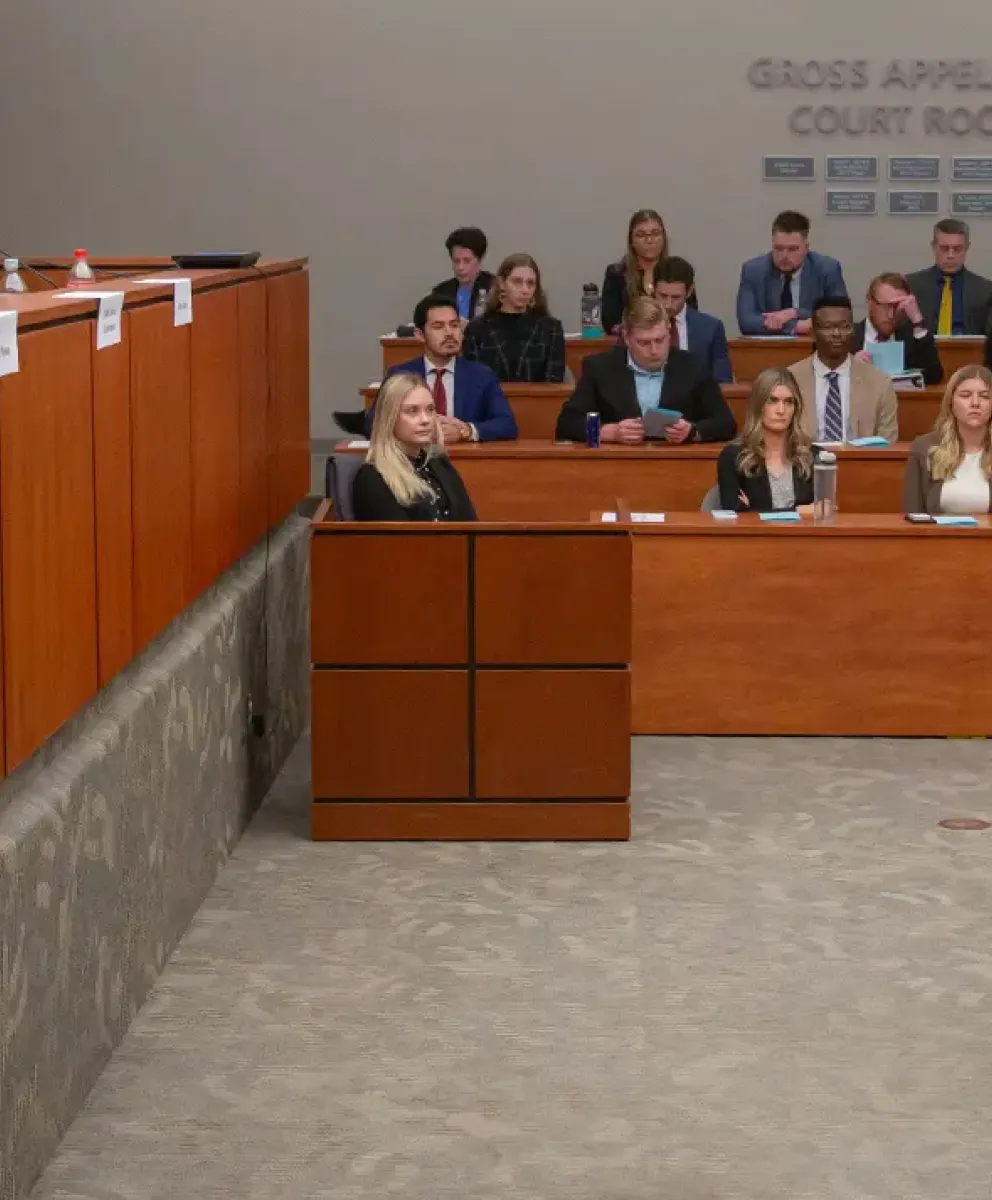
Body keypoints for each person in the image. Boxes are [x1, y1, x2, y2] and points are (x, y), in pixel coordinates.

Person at [554, 296, 736, 444]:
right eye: (644, 343)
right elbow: (566, 424)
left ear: (669, 331)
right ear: (627, 338)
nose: (655, 350)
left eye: (660, 340)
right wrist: (609, 432)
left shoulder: (693, 366)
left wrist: (692, 431)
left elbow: (726, 423)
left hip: (676, 465)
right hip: (618, 467)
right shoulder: (600, 368)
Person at [366, 294, 518, 442]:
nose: (449, 333)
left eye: (454, 325)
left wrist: (465, 430)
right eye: (438, 326)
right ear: (420, 335)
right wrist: (416, 430)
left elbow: (506, 424)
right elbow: (373, 424)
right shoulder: (400, 374)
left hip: (465, 461)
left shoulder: (481, 375)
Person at [353, 374, 477, 522]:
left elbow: (471, 525)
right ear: (389, 418)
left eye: (430, 409)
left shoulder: (438, 463)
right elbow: (400, 542)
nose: (425, 420)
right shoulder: (373, 477)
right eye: (412, 411)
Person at [789, 297, 898, 443]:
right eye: (828, 327)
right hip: (805, 463)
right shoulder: (790, 379)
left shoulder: (880, 383)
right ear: (813, 333)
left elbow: (887, 444)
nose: (836, 333)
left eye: (844, 326)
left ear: (853, 330)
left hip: (861, 464)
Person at [716, 368, 815, 512]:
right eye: (772, 401)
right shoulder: (733, 457)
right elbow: (736, 516)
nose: (781, 410)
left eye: (788, 402)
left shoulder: (813, 456)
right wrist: (799, 512)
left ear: (796, 408)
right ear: (758, 406)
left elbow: (824, 513)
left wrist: (755, 509)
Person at [736, 211, 847, 336]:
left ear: (806, 248)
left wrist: (794, 313)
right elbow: (746, 322)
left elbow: (839, 316)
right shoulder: (753, 270)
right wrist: (794, 326)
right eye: (779, 248)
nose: (784, 256)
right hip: (767, 351)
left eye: (792, 249)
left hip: (813, 349)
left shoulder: (827, 269)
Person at [462, 253, 566, 383]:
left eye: (530, 283)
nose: (525, 290)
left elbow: (554, 385)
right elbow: (472, 381)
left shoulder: (550, 329)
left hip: (538, 402)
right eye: (517, 282)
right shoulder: (477, 329)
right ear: (502, 283)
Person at [902, 366, 992, 514]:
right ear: (951, 402)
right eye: (965, 395)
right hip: (937, 537)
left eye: (984, 396)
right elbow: (912, 515)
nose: (975, 403)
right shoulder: (924, 448)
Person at [601, 208, 696, 336]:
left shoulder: (678, 271)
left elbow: (692, 317)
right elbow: (610, 322)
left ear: (664, 238)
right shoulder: (616, 274)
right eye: (641, 235)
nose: (649, 240)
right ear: (632, 241)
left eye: (655, 234)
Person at [905, 219, 992, 337]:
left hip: (969, 353)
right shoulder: (911, 286)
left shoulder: (985, 290)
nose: (951, 255)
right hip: (923, 352)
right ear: (933, 247)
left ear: (967, 247)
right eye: (944, 249)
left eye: (957, 249)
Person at [852, 272, 943, 385]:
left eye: (897, 307)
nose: (891, 315)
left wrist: (917, 321)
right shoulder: (848, 336)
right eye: (885, 306)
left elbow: (934, 376)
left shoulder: (912, 338)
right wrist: (850, 368)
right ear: (869, 302)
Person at [655, 256, 733, 384]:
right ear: (653, 288)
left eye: (676, 297)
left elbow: (723, 382)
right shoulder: (635, 325)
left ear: (690, 291)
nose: (668, 304)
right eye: (663, 296)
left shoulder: (711, 328)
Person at [432, 227, 494, 322]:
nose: (460, 267)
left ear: (480, 260)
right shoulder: (441, 292)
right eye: (456, 261)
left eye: (467, 261)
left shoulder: (494, 287)